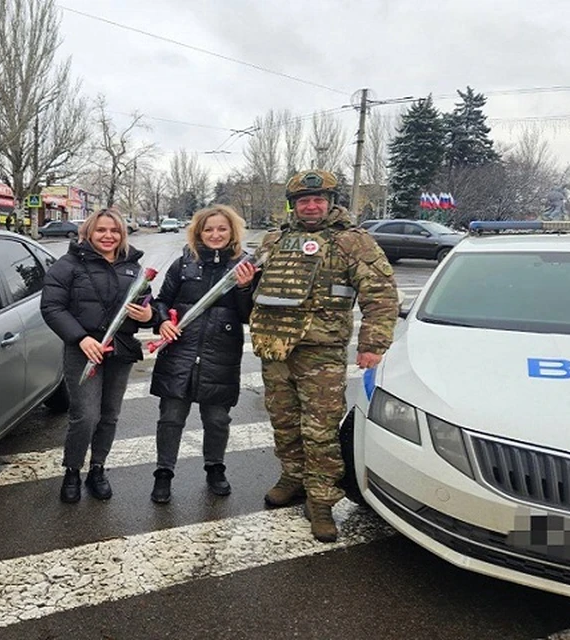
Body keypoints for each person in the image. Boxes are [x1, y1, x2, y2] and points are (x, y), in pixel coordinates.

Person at [249, 169, 398, 542]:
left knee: (320, 430)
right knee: (284, 422)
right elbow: (257, 285)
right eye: (303, 201)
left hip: (322, 353)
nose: (311, 206)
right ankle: (293, 477)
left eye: (318, 200)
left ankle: (320, 501)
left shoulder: (353, 242)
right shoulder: (274, 239)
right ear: (293, 205)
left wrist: (372, 345)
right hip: (277, 348)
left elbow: (380, 296)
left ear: (332, 203)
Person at [41, 208, 156, 503]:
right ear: (88, 233)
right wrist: (80, 338)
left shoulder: (133, 267)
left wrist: (147, 314)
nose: (108, 236)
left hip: (121, 350)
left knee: (109, 415)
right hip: (84, 350)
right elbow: (52, 308)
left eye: (114, 231)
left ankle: (98, 468)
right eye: (101, 230)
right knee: (85, 416)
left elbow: (148, 305)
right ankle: (72, 470)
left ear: (122, 234)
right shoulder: (67, 265)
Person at [148, 205, 257, 503]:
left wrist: (246, 289)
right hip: (179, 354)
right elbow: (160, 301)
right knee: (170, 417)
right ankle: (163, 472)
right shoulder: (183, 263)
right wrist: (163, 321)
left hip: (220, 357)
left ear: (232, 231)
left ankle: (215, 468)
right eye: (208, 229)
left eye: (222, 229)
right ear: (198, 232)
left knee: (217, 419)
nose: (215, 234)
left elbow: (249, 315)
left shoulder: (244, 266)